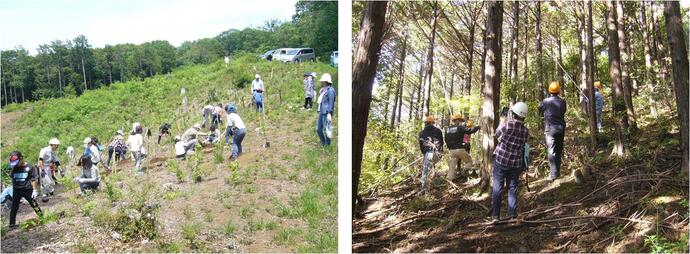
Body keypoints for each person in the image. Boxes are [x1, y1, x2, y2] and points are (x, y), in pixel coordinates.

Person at [491, 102, 529, 222]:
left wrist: (503, 119)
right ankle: (513, 215)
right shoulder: (526, 131)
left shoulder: (507, 125)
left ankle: (495, 216)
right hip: (515, 163)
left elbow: (496, 134)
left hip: (501, 160)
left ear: (513, 114)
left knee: (498, 187)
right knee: (512, 188)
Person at [7, 151, 44, 229]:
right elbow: (12, 177)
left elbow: (33, 179)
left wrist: (34, 190)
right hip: (16, 190)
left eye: (17, 162)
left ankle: (42, 218)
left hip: (27, 189)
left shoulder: (29, 167)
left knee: (33, 203)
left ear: (21, 159)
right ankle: (11, 224)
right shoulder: (14, 168)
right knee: (14, 207)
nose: (16, 165)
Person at [539, 81, 567, 181]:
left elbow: (540, 108)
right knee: (558, 151)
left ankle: (553, 174)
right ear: (559, 91)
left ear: (549, 91)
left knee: (552, 151)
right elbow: (563, 111)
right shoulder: (562, 102)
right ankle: (557, 173)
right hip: (561, 128)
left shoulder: (545, 101)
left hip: (550, 129)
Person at [445, 114, 480, 181]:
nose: (461, 122)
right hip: (459, 149)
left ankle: (449, 180)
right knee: (469, 161)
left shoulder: (447, 129)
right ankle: (463, 172)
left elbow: (446, 140)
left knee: (451, 168)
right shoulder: (460, 127)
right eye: (460, 120)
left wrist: (450, 148)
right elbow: (470, 131)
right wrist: (477, 127)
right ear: (458, 120)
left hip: (451, 151)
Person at [419, 116, 444, 193]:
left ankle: (424, 189)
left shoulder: (422, 132)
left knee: (425, 171)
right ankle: (437, 182)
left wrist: (425, 153)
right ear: (432, 123)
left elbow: (421, 145)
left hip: (428, 153)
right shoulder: (438, 131)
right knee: (432, 166)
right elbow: (442, 142)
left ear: (426, 123)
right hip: (437, 153)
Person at [316, 73, 336, 146]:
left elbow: (331, 102)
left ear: (326, 81)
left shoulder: (331, 90)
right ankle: (324, 143)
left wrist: (329, 113)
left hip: (326, 112)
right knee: (318, 129)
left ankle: (327, 145)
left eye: (323, 81)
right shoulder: (323, 90)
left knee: (326, 129)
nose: (322, 82)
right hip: (321, 111)